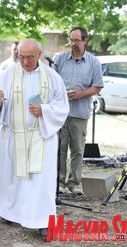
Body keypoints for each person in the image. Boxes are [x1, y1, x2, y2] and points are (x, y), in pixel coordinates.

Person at [0, 39, 69, 239]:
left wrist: (44, 110)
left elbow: (62, 106)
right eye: (21, 57)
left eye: (30, 57)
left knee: (41, 183)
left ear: (39, 55)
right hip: (13, 137)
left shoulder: (52, 77)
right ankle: (9, 211)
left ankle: (43, 221)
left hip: (41, 138)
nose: (25, 62)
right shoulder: (7, 74)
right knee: (12, 178)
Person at [53, 27, 103, 195]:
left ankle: (74, 183)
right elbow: (51, 83)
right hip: (60, 114)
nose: (73, 44)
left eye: (77, 40)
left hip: (80, 113)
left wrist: (81, 94)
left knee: (77, 150)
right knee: (59, 148)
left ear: (85, 41)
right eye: (71, 40)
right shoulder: (59, 59)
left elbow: (97, 86)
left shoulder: (93, 62)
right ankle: (58, 182)